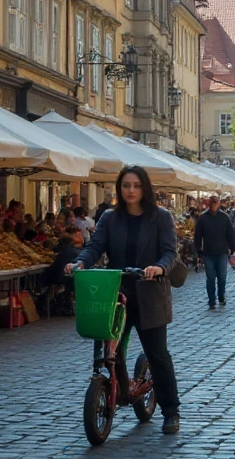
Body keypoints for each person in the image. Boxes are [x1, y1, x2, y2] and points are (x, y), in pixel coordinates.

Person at [67, 166, 183, 435]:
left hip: (150, 292)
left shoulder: (160, 217)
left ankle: (170, 411)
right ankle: (119, 389)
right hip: (116, 293)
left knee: (157, 354)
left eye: (136, 185)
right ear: (120, 188)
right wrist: (80, 262)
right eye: (126, 185)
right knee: (111, 350)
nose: (131, 191)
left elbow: (169, 252)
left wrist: (159, 268)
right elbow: (95, 246)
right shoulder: (110, 217)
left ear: (145, 189)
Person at [193, 196, 235, 309]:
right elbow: (197, 236)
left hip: (222, 252)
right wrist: (198, 250)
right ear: (209, 204)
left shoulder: (224, 217)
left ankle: (221, 296)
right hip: (208, 252)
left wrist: (234, 248)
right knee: (210, 278)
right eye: (212, 202)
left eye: (216, 202)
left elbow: (230, 234)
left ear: (219, 204)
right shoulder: (203, 218)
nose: (214, 205)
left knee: (222, 277)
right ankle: (211, 300)